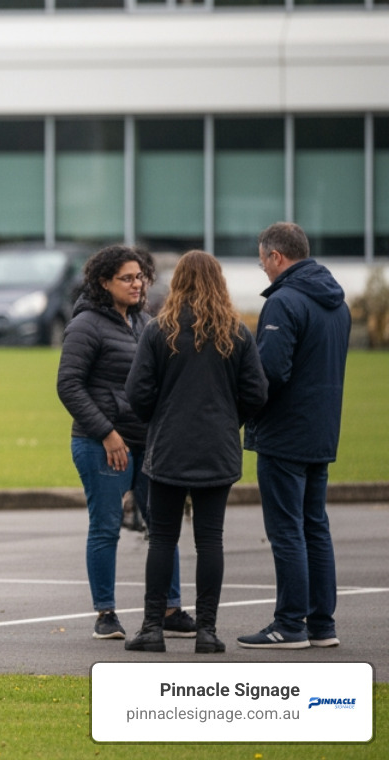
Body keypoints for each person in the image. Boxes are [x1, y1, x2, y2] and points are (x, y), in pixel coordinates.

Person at [124, 251, 267, 653]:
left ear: (179, 283)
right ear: (218, 282)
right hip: (216, 451)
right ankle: (207, 631)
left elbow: (137, 393)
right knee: (210, 541)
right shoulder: (236, 332)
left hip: (169, 447)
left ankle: (152, 628)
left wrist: (160, 417)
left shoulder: (159, 331)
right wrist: (226, 418)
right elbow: (257, 393)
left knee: (162, 539)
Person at [56, 246, 192, 642]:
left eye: (140, 277)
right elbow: (68, 385)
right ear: (103, 282)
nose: (137, 285)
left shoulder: (145, 322)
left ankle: (170, 608)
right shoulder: (86, 325)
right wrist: (107, 433)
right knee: (105, 529)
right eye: (127, 278)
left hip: (147, 443)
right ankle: (106, 614)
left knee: (162, 528)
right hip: (101, 444)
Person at [239, 222, 351, 650]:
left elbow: (270, 372)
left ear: (276, 257)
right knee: (314, 527)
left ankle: (289, 624)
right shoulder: (337, 304)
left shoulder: (284, 301)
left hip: (285, 433)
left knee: (287, 530)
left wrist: (240, 408)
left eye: (262, 259)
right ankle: (322, 625)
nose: (263, 267)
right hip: (321, 430)